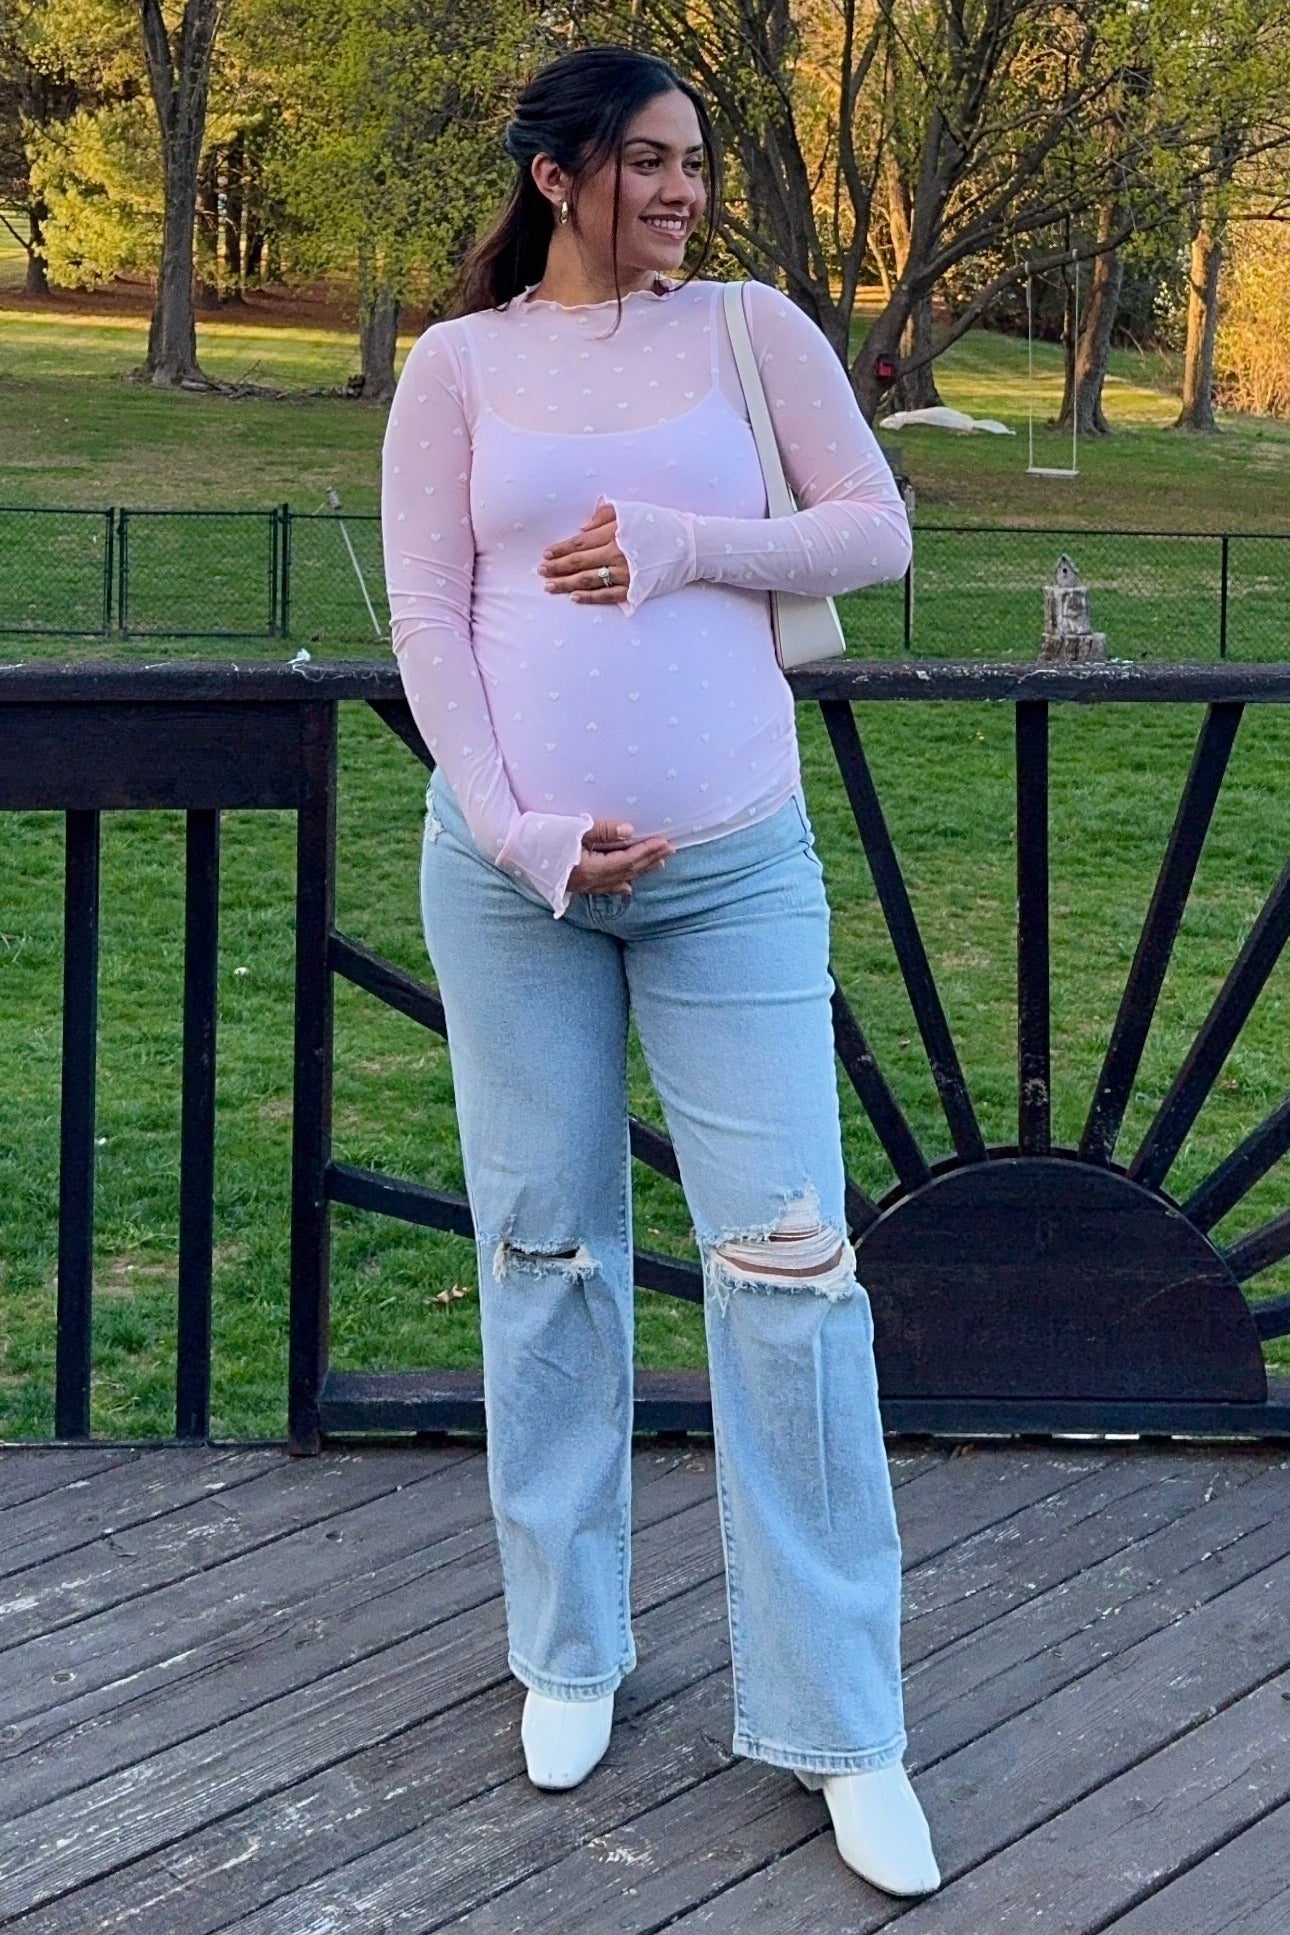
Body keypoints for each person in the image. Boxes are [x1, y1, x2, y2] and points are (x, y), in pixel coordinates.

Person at [380, 43, 940, 1899]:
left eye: (693, 160)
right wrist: (521, 833)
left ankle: (841, 1721)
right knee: (544, 1257)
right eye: (647, 162)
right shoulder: (458, 367)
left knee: (790, 1276)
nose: (684, 191)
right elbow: (429, 613)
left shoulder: (750, 330)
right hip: (513, 887)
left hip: (731, 875)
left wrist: (688, 546)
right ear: (557, 176)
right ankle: (569, 1649)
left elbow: (874, 527)